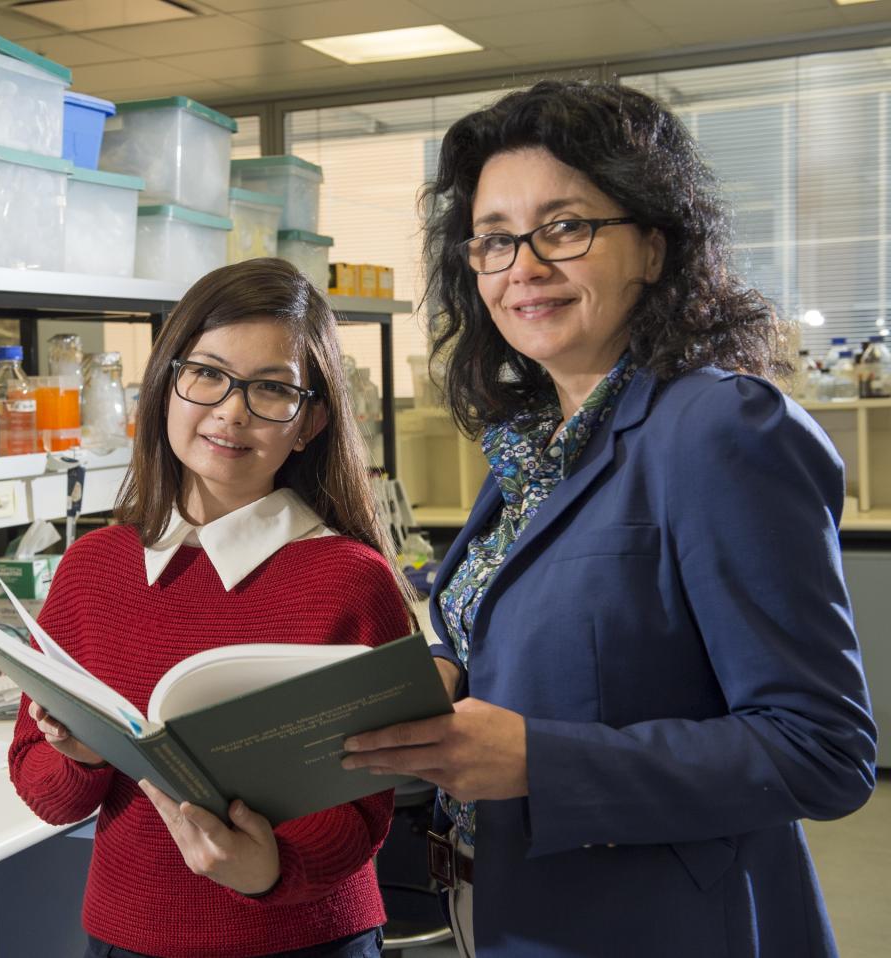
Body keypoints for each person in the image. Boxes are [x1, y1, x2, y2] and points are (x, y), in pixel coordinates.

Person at [340, 79, 878, 957]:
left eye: (565, 228)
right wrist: (437, 670)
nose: (524, 267)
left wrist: (537, 761)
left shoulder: (721, 430)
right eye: (495, 241)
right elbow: (509, 628)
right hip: (505, 907)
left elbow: (821, 751)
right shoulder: (536, 444)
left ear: (656, 249)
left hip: (657, 927)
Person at [8, 258, 416, 958]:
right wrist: (77, 754)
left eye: (271, 390)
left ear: (312, 418)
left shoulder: (351, 581)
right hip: (126, 935)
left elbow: (364, 815)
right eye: (208, 375)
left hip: (305, 942)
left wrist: (269, 870)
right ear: (167, 383)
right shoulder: (94, 568)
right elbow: (48, 791)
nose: (231, 412)